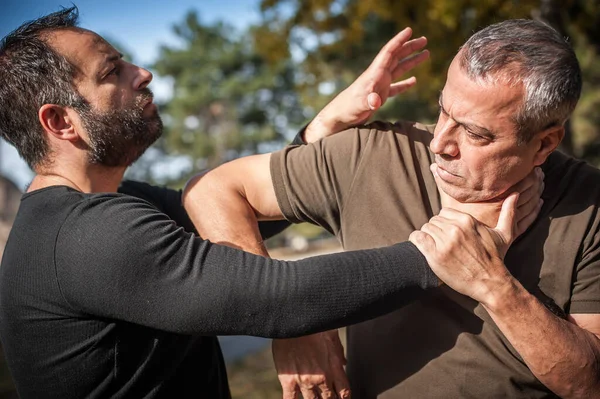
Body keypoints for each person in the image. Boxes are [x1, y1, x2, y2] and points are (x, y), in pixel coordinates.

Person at [0, 6, 508, 399]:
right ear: (61, 122)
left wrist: (320, 132)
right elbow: (275, 296)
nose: (144, 72)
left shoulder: (110, 206)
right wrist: (443, 252)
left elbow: (226, 214)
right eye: (113, 70)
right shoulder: (85, 237)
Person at [186, 19, 600, 398]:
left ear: (545, 143)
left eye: (475, 134)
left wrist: (494, 285)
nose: (441, 143)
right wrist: (284, 320)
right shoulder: (377, 153)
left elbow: (589, 383)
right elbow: (212, 190)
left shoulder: (590, 205)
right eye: (444, 111)